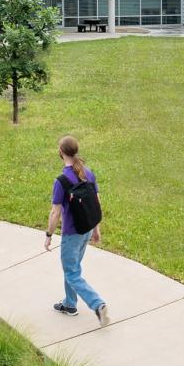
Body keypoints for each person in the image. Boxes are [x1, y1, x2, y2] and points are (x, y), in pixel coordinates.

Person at [45, 136, 110, 327]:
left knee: (72, 272)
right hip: (86, 230)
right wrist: (96, 229)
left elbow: (55, 213)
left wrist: (49, 235)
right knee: (72, 268)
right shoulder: (88, 173)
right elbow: (95, 204)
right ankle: (70, 304)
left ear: (61, 152)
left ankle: (98, 305)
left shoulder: (62, 181)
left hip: (72, 234)